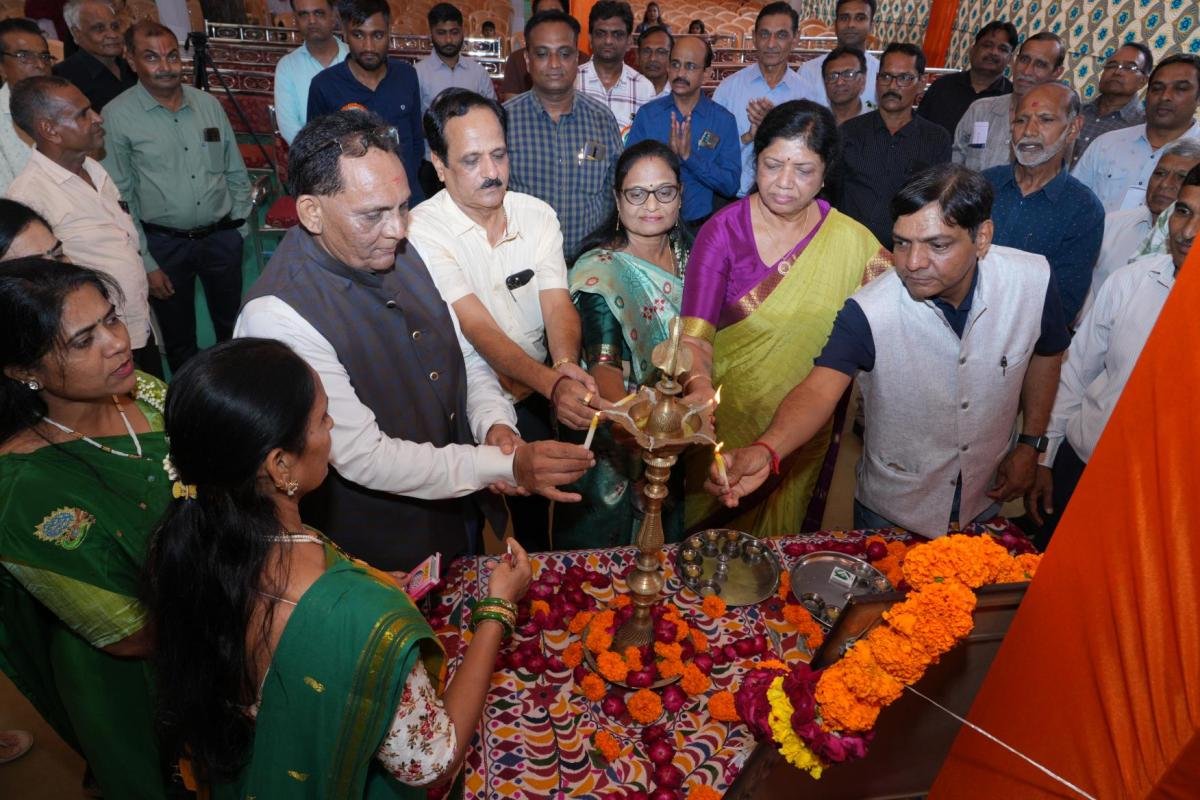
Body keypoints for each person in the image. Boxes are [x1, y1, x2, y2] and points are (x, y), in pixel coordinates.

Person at [143, 337, 533, 797]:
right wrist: (496, 610)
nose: (331, 427)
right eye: (322, 418)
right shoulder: (355, 615)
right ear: (280, 465)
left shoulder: (190, 546)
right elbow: (433, 762)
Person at [235, 110, 593, 570]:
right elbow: (365, 456)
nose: (398, 229)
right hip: (373, 551)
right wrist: (505, 465)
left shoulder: (402, 247)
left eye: (403, 206)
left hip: (453, 514)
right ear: (311, 213)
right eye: (373, 215)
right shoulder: (278, 315)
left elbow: (465, 356)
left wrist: (493, 424)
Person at [708, 164, 1070, 538]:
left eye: (937, 245)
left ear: (982, 238)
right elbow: (818, 390)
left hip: (985, 493)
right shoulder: (869, 310)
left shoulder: (1033, 282)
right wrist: (768, 450)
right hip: (893, 508)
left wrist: (1031, 443)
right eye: (902, 243)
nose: (913, 263)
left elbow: (1047, 353)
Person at [0, 259, 172, 798]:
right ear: (22, 370)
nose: (117, 343)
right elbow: (129, 634)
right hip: (138, 673)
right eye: (83, 340)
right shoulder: (25, 488)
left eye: (111, 319)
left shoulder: (143, 392)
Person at [679, 100, 891, 536]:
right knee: (710, 538)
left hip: (804, 431)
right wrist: (698, 390)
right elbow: (695, 338)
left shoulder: (854, 243)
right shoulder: (722, 232)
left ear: (826, 172)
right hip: (724, 421)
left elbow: (900, 311)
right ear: (755, 159)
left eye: (804, 170)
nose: (784, 183)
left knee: (781, 541)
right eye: (772, 165)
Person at [409, 89, 599, 552]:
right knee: (460, 525)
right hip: (457, 394)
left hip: (533, 388)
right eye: (471, 160)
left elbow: (557, 303)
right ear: (439, 165)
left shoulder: (537, 216)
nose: (492, 172)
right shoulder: (422, 231)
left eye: (499, 154)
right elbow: (477, 329)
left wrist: (565, 364)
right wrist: (555, 384)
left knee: (535, 513)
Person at [1029, 167, 1200, 545]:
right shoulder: (1130, 281)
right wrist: (1046, 456)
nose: (1187, 232)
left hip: (1167, 502)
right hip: (1081, 467)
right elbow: (1076, 373)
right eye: (1183, 211)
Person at [557, 140, 692, 547]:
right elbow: (604, 367)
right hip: (615, 433)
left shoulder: (693, 257)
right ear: (617, 200)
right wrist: (633, 423)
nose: (651, 204)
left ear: (680, 196)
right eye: (636, 194)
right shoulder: (602, 272)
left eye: (664, 192)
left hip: (675, 428)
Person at [102, 20, 252, 372]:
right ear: (131, 60)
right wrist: (147, 261)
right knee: (179, 336)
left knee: (233, 325)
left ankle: (235, 387)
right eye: (152, 57)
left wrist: (239, 228)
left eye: (172, 56)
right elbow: (121, 199)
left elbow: (235, 170)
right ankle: (191, 395)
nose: (166, 66)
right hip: (164, 246)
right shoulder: (117, 116)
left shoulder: (208, 105)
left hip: (221, 237)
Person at [6, 76, 157, 376]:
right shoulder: (29, 197)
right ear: (50, 130)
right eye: (83, 114)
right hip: (96, 349)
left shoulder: (94, 168)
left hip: (135, 324)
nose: (98, 118)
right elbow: (36, 295)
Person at [505, 9, 622, 263]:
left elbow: (615, 191)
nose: (555, 64)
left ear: (577, 59)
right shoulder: (504, 121)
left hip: (589, 266)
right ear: (527, 60)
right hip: (523, 265)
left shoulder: (602, 120)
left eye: (565, 53)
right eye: (542, 54)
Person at [983, 82, 1104, 325]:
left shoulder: (1084, 210)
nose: (1029, 131)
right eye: (1021, 120)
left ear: (1073, 128)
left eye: (1045, 120)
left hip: (1024, 339)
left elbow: (1063, 306)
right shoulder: (983, 184)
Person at [307, 0, 425, 206]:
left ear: (389, 33)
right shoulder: (324, 85)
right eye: (358, 35)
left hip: (408, 194)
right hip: (355, 201)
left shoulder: (407, 75)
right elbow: (316, 153)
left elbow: (416, 139)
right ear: (345, 34)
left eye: (377, 35)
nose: (368, 47)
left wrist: (405, 179)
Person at [836, 43, 950, 249]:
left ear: (921, 83)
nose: (892, 86)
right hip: (847, 247)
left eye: (904, 78)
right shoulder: (849, 132)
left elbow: (937, 204)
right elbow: (831, 193)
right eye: (886, 76)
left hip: (905, 253)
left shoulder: (935, 139)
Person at [626, 35, 740, 230]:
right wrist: (665, 158)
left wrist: (689, 158)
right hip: (651, 226)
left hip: (700, 229)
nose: (680, 73)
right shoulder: (648, 115)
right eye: (675, 64)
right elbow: (628, 173)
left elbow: (730, 185)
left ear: (707, 74)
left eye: (690, 66)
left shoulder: (723, 121)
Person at [1084, 137, 1200, 314]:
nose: (1165, 184)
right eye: (1159, 173)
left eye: (1181, 177)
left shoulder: (1188, 244)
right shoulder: (1111, 223)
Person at [1072, 54, 1200, 213]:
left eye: (1180, 89)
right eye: (1157, 88)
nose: (1165, 96)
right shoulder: (1107, 143)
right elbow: (1072, 201)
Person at [712, 2, 805, 197]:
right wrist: (747, 137)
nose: (771, 44)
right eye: (764, 34)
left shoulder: (806, 95)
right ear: (754, 38)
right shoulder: (728, 88)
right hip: (732, 197)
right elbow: (709, 145)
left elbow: (811, 154)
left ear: (795, 38)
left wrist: (773, 129)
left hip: (786, 197)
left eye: (781, 35)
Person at [414, 3, 497, 198]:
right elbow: (413, 121)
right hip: (432, 165)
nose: (449, 39)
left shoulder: (478, 73)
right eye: (441, 33)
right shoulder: (418, 73)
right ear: (431, 33)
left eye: (454, 32)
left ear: (463, 32)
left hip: (473, 164)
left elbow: (492, 117)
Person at [952, 31, 1065, 173]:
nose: (1027, 71)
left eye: (1040, 64)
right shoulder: (980, 110)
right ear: (1014, 61)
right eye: (1024, 59)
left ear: (1056, 72)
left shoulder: (1056, 127)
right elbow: (955, 165)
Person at [916, 20, 1016, 135]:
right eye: (987, 45)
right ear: (972, 51)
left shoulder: (1013, 97)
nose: (994, 52)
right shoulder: (942, 86)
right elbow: (918, 128)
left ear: (1010, 59)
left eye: (1003, 49)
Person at [272, 0, 347, 144]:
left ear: (333, 15)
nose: (311, 21)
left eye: (318, 13)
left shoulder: (354, 58)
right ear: (296, 19)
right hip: (309, 154)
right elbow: (289, 128)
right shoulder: (287, 67)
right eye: (303, 14)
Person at [1069, 43, 1151, 169]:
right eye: (1112, 65)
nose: (1117, 72)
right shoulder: (1075, 111)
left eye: (1129, 67)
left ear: (1143, 81)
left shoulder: (1144, 128)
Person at [576, 1, 655, 131]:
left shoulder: (644, 89)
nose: (608, 41)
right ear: (590, 39)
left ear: (629, 41)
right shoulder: (572, 81)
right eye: (601, 33)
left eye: (617, 34)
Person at [795, 0, 880, 110]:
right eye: (844, 18)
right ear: (835, 25)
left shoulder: (881, 73)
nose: (851, 24)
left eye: (860, 18)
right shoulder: (809, 71)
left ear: (871, 26)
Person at [54, 0, 136, 112]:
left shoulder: (133, 63)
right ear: (77, 34)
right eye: (99, 28)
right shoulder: (63, 78)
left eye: (115, 26)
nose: (113, 35)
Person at [0, 18, 53, 191]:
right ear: (1, 67)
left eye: (44, 57)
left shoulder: (65, 107)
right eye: (24, 57)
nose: (40, 65)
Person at [499, 0, 565, 100]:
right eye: (543, 16)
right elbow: (512, 106)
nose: (549, 22)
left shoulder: (582, 61)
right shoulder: (517, 59)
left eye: (555, 16)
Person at [821, 45, 872, 126]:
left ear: (862, 81)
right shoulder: (816, 122)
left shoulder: (876, 122)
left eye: (848, 74)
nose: (839, 82)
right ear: (824, 82)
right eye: (832, 76)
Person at [635, 23, 671, 96]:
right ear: (638, 56)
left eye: (661, 52)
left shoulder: (682, 92)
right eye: (646, 51)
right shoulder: (626, 90)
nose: (652, 58)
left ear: (671, 57)